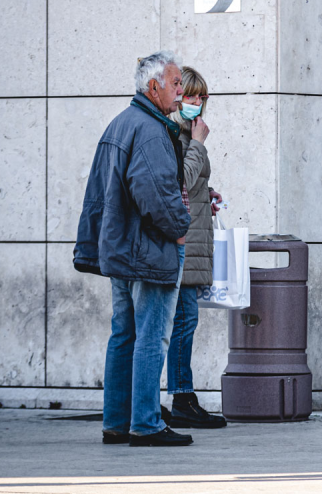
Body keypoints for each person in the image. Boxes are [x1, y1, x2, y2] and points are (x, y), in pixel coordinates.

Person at [74, 51, 193, 447]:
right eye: (176, 84)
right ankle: (146, 423)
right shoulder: (150, 129)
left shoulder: (120, 124)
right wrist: (179, 229)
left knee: (123, 335)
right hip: (149, 250)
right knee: (151, 337)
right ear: (154, 86)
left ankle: (117, 422)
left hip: (122, 251)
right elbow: (155, 192)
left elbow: (99, 195)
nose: (181, 92)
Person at [162, 66, 227, 429]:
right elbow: (177, 182)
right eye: (191, 95)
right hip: (182, 241)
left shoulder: (186, 134)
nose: (197, 103)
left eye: (202, 96)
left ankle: (183, 396)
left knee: (185, 321)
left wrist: (208, 193)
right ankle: (183, 398)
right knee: (184, 322)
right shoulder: (177, 135)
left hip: (195, 237)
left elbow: (191, 184)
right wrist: (199, 144)